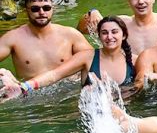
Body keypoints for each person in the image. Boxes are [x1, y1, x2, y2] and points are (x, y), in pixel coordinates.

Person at [3, 16, 136, 97]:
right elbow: (54, 74)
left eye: (114, 32)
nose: (110, 37)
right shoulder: (87, 57)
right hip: (93, 117)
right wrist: (25, 87)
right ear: (99, 37)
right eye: (104, 33)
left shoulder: (135, 60)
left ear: (123, 35)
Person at [0, 0, 92, 78]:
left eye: (46, 8)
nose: (41, 12)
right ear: (26, 11)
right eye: (35, 9)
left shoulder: (70, 34)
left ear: (53, 9)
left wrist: (93, 11)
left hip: (70, 90)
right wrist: (5, 75)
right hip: (31, 91)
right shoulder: (13, 38)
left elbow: (97, 60)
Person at [78, 0, 157, 54]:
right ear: (128, 1)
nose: (140, 1)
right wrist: (93, 12)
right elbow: (80, 30)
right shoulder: (120, 23)